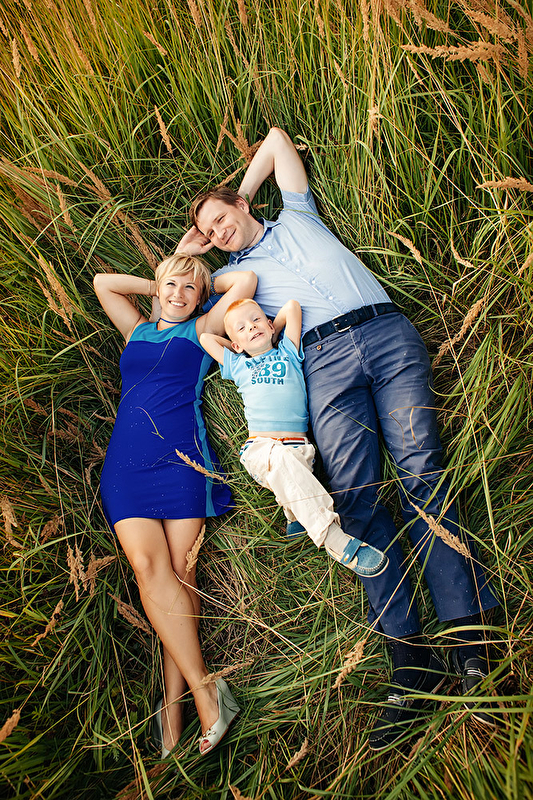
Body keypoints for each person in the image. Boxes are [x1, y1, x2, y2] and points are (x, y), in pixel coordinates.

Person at [177, 128, 501, 749]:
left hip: (386, 335)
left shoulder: (297, 214)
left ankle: (469, 639)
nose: (218, 232)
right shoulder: (236, 281)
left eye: (222, 219)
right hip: (322, 365)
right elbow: (190, 313)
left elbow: (276, 143)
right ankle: (410, 665)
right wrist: (196, 248)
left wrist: (233, 197)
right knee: (355, 497)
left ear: (244, 204)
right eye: (209, 231)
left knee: (422, 472)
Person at [94, 254, 255, 757]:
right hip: (125, 469)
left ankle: (175, 711)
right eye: (171, 286)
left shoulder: (202, 328)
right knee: (149, 570)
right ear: (158, 288)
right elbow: (103, 282)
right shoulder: (136, 330)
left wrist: (202, 282)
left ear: (200, 297)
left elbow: (245, 280)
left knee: (180, 582)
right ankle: (207, 693)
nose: (178, 295)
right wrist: (161, 280)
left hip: (181, 462)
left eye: (189, 289)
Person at [200, 297, 388, 578]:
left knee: (292, 471)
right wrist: (237, 345)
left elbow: (292, 307)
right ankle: (334, 539)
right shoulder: (238, 366)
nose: (251, 327)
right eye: (242, 328)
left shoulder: (288, 351)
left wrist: (270, 329)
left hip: (300, 448)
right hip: (261, 448)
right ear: (236, 344)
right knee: (280, 460)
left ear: (269, 324)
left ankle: (295, 516)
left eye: (256, 320)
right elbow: (206, 338)